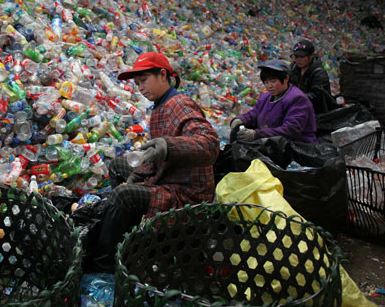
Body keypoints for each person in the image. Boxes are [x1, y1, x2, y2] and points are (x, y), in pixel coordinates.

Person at [92, 52, 219, 271]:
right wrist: (137, 175)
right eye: (137, 83)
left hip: (185, 193)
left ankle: (105, 265)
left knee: (123, 195)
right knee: (119, 166)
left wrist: (169, 147)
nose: (140, 88)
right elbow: (155, 159)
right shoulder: (160, 106)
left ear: (162, 75)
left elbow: (210, 145)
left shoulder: (181, 105)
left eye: (144, 80)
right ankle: (129, 228)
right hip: (166, 179)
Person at [230, 59, 317, 144]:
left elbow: (291, 130)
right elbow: (254, 114)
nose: (269, 86)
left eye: (273, 81)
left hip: (297, 147)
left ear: (286, 78)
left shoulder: (297, 99)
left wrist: (256, 134)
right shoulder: (265, 97)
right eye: (266, 82)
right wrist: (241, 119)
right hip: (272, 144)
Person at [288, 40, 337, 114]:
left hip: (315, 112)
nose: (299, 60)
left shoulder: (319, 73)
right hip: (297, 108)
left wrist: (296, 98)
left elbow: (317, 96)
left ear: (311, 55)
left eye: (302, 56)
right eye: (296, 56)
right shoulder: (294, 68)